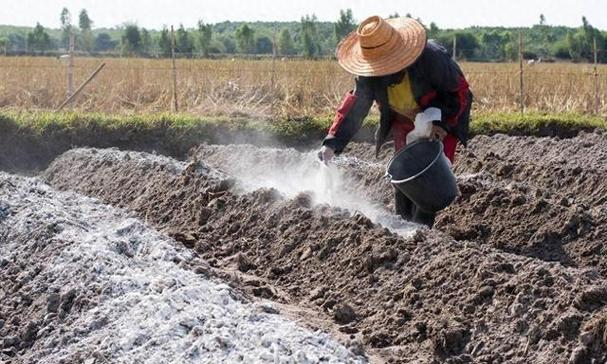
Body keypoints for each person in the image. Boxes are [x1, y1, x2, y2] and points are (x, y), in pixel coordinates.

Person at [318, 15, 473, 228]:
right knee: (404, 178)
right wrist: (332, 143)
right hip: (404, 121)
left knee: (428, 179)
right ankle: (403, 232)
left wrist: (441, 124)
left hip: (440, 117)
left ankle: (422, 233)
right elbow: (356, 106)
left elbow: (458, 93)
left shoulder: (432, 58)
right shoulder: (370, 75)